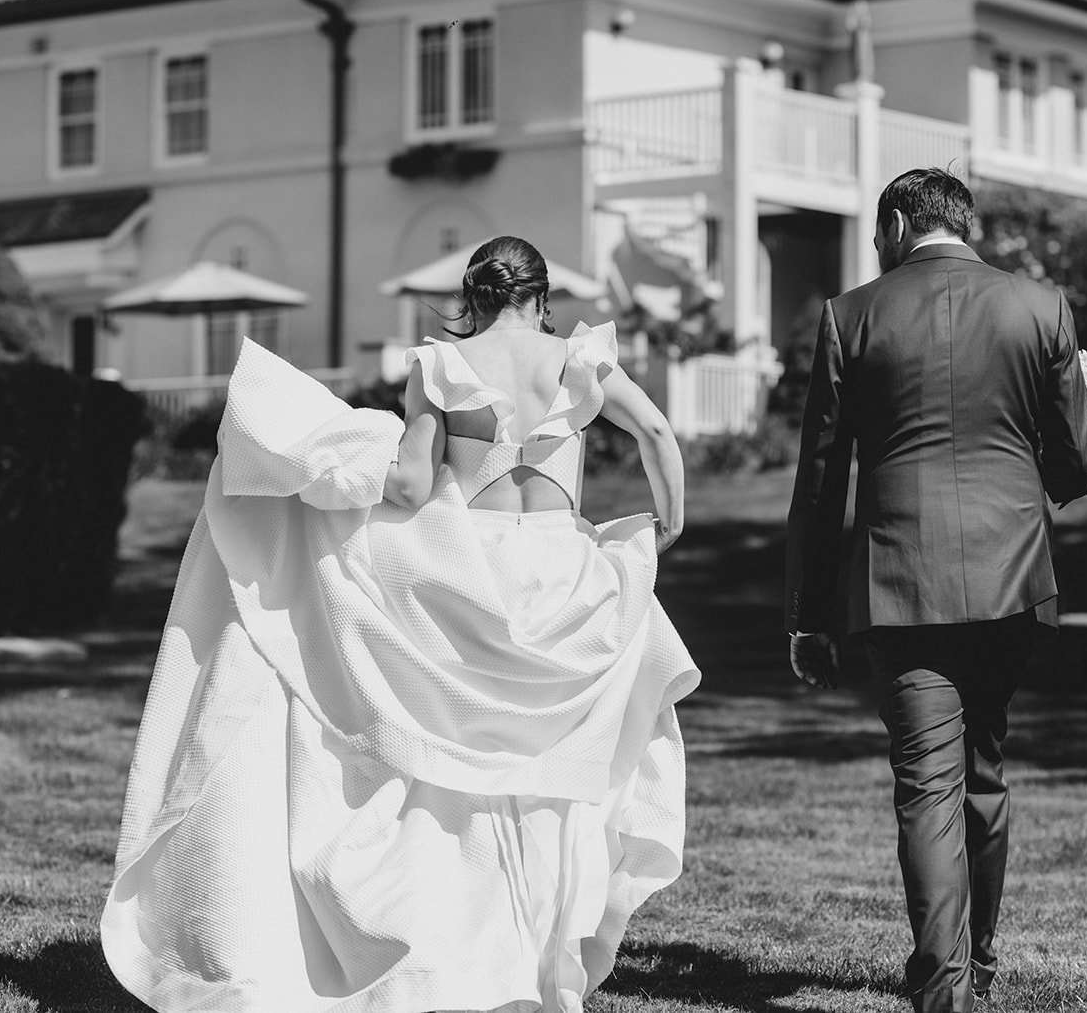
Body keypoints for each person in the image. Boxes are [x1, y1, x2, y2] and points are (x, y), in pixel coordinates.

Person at [102, 235, 699, 1013]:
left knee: (459, 775)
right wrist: (670, 524)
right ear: (542, 296)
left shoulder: (442, 368)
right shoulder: (580, 360)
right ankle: (535, 951)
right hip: (564, 574)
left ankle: (460, 942)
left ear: (474, 295)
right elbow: (656, 433)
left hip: (472, 574)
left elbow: (414, 485)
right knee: (547, 776)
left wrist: (322, 464)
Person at [785, 169, 1087, 1012]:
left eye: (877, 233)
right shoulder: (1041, 308)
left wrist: (808, 617)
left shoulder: (852, 315)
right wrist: (1084, 430)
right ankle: (981, 967)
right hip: (1010, 579)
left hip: (898, 580)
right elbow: (1074, 467)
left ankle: (943, 990)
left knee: (927, 784)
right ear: (965, 226)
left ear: (896, 224)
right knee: (984, 775)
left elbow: (822, 480)